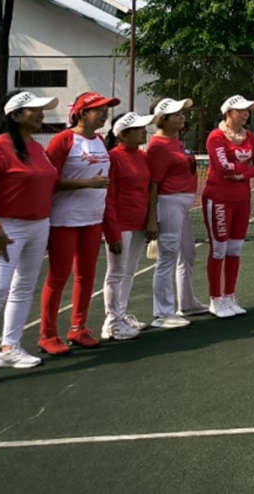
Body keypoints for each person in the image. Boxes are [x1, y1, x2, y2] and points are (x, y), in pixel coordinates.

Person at [0, 91, 59, 392]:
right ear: (16, 115)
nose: (42, 114)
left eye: (42, 109)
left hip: (37, 225)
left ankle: (8, 348)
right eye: (35, 110)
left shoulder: (36, 148)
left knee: (23, 288)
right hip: (6, 229)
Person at [40, 92, 119, 354]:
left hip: (92, 219)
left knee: (86, 275)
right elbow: (48, 180)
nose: (105, 113)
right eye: (100, 109)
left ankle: (78, 328)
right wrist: (86, 183)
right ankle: (48, 334)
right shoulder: (64, 140)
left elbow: (105, 186)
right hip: (65, 219)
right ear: (83, 113)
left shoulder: (98, 140)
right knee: (58, 277)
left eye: (107, 109)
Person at [203, 95, 254, 318]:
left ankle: (229, 296)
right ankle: (215, 299)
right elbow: (222, 167)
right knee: (219, 249)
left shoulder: (249, 136)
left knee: (235, 249)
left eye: (248, 110)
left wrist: (243, 174)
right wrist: (241, 169)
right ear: (228, 113)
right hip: (219, 198)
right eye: (241, 110)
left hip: (243, 199)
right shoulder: (216, 137)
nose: (246, 113)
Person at [147, 97, 206, 328]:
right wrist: (152, 218)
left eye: (182, 113)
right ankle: (162, 312)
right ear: (162, 119)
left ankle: (187, 302)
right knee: (168, 257)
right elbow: (153, 184)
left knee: (188, 253)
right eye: (176, 114)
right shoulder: (158, 146)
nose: (182, 117)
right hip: (168, 203)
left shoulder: (175, 141)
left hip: (181, 204)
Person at [101, 112, 156, 340]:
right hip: (120, 223)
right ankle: (111, 322)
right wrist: (112, 231)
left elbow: (148, 189)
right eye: (138, 128)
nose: (144, 131)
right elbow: (108, 197)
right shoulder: (112, 158)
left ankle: (121, 315)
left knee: (129, 271)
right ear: (122, 135)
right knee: (115, 272)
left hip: (138, 222)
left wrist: (151, 220)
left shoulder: (142, 157)